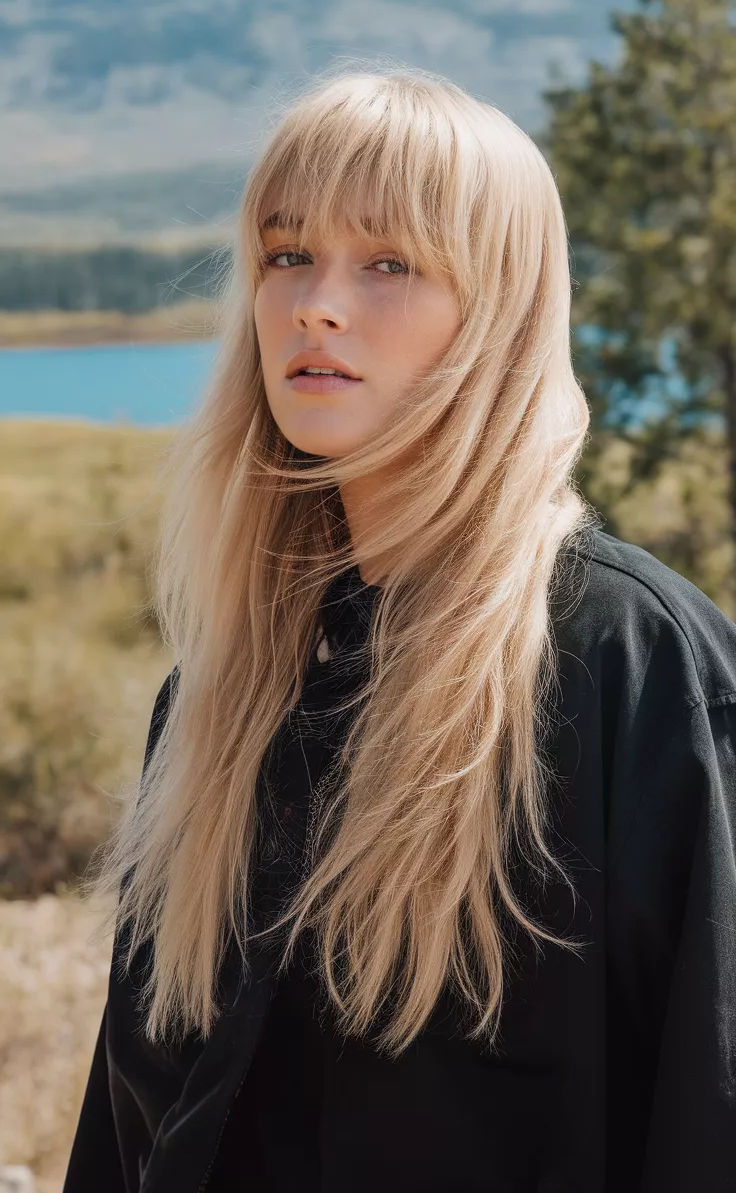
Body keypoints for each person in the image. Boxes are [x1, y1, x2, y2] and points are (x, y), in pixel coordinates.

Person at [63, 69, 736, 1193]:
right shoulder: (220, 696)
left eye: (390, 263)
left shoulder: (631, 667)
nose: (316, 304)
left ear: (501, 312)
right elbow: (129, 1125)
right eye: (286, 254)